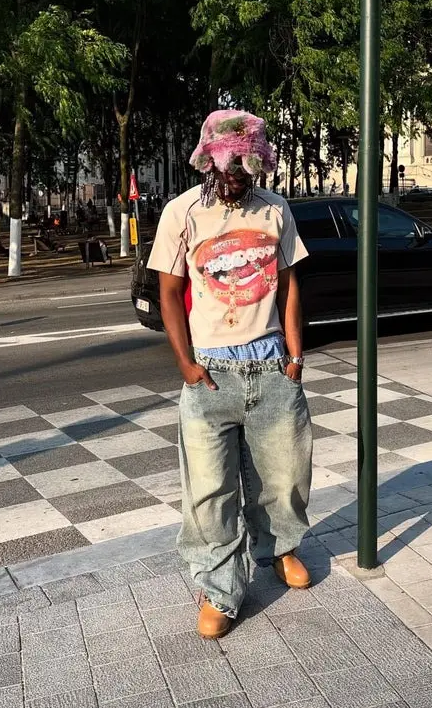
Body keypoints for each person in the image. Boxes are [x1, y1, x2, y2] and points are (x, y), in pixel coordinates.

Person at [148, 110, 314, 640]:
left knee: (283, 476)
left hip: (272, 366)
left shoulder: (275, 209)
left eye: (248, 165)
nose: (238, 175)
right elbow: (168, 292)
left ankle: (279, 549)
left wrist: (295, 354)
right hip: (211, 374)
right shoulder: (182, 213)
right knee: (208, 492)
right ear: (209, 161)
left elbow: (290, 285)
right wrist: (186, 364)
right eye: (229, 164)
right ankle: (219, 589)